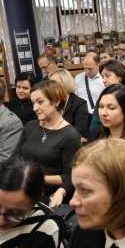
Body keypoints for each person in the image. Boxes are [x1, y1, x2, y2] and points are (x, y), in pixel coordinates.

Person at [16, 80, 81, 208]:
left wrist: (37, 178)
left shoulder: (70, 135)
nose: (35, 108)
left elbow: (71, 176)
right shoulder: (30, 126)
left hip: (46, 196)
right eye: (33, 103)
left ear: (56, 101)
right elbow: (15, 158)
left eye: (40, 102)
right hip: (21, 188)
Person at [50, 68, 89, 140]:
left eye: (53, 83)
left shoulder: (79, 104)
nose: (50, 87)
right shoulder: (50, 102)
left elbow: (80, 131)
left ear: (64, 83)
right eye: (50, 84)